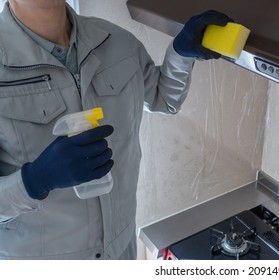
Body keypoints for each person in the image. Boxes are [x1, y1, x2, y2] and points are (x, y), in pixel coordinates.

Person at [0, 0, 232, 259]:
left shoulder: (117, 42)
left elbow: (162, 97)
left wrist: (180, 53)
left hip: (120, 251)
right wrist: (34, 180)